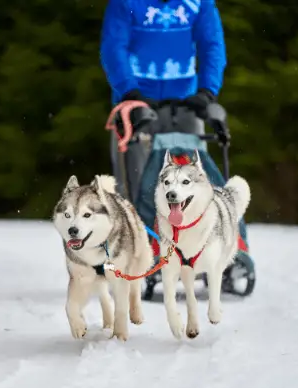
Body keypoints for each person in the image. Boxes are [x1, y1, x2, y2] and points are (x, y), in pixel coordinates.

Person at [99, 0, 254, 289]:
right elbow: (113, 47)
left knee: (195, 182)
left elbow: (212, 46)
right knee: (137, 182)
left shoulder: (198, 3)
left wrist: (207, 91)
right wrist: (129, 92)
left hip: (187, 104)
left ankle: (212, 251)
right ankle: (141, 254)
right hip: (135, 104)